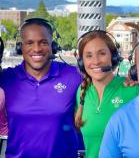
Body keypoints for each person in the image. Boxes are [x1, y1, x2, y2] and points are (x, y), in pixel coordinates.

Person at [0, 18, 82, 158]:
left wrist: (130, 82)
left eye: (43, 42)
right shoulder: (6, 79)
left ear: (53, 46)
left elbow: (104, 86)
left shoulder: (74, 76)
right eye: (29, 43)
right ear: (20, 47)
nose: (37, 49)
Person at [75, 30, 139, 158]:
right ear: (82, 63)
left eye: (102, 53)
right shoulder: (82, 91)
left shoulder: (134, 89)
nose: (96, 61)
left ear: (114, 57)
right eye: (89, 56)